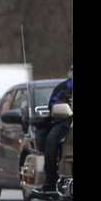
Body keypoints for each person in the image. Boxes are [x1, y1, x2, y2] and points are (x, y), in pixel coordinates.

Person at [40, 64, 73, 193]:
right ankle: (51, 180)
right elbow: (52, 104)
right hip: (63, 121)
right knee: (51, 142)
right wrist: (63, 107)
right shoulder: (63, 87)